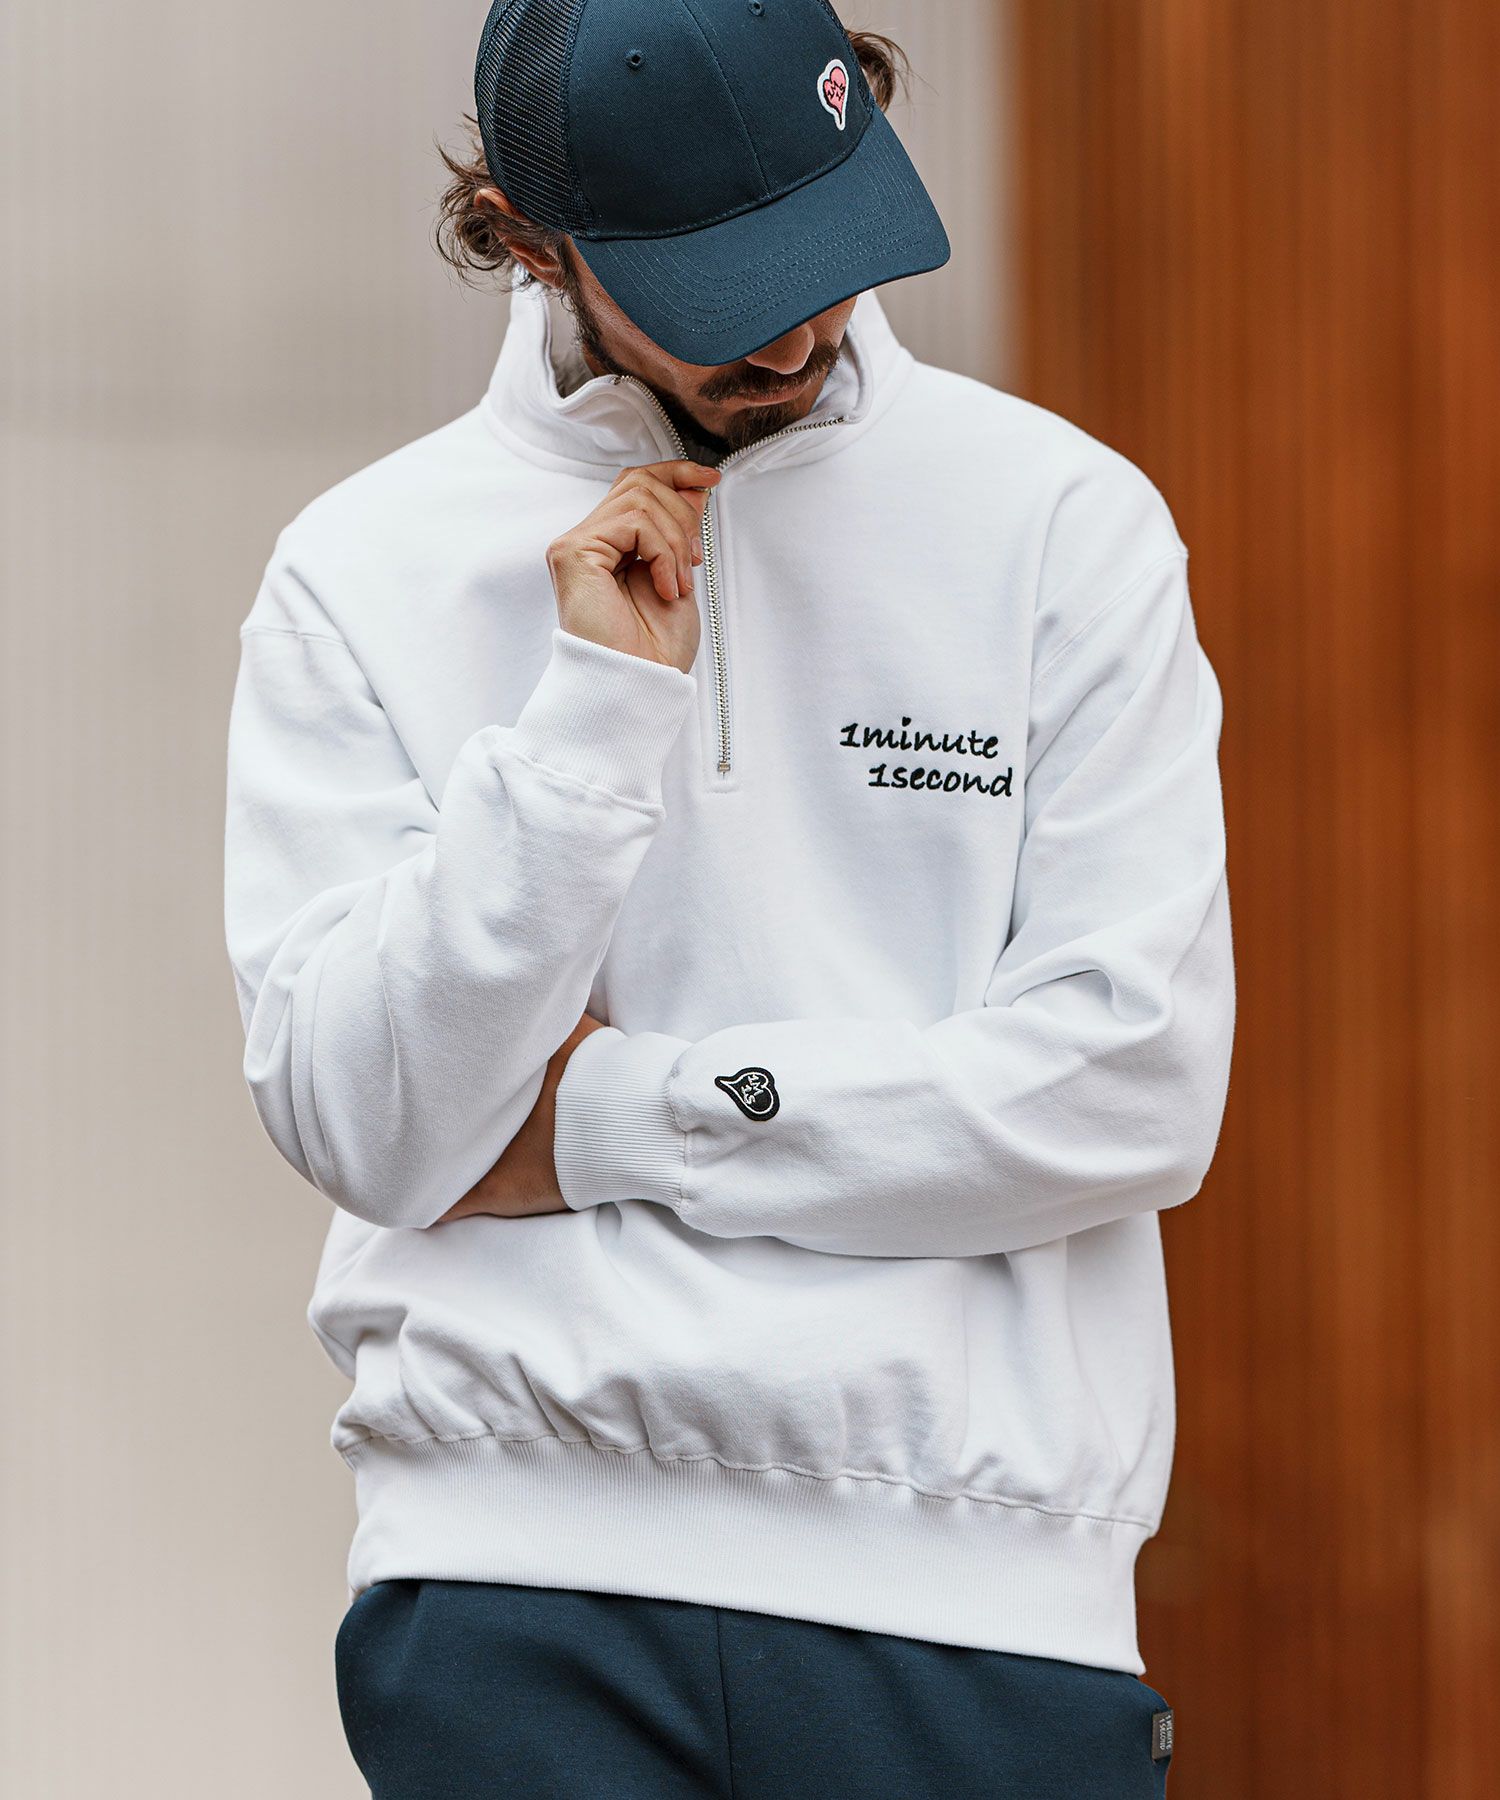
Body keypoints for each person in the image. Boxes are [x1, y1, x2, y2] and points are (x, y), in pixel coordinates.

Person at [222, 0, 1233, 1793]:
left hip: (977, 1598)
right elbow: (366, 1121)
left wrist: (616, 1117)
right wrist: (589, 726)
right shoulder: (357, 569)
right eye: (712, 281)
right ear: (529, 241)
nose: (791, 327)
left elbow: (1132, 1083)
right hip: (511, 1585)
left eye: (822, 243)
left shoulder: (1065, 525)